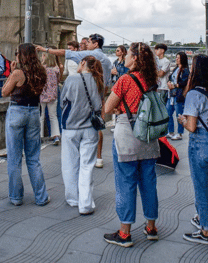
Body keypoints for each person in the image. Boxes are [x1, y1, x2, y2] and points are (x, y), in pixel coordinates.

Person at [102, 42, 160, 247]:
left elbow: (108, 107)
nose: (124, 57)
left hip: (128, 134)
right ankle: (151, 227)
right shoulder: (152, 80)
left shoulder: (125, 79)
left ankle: (125, 233)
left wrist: (119, 110)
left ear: (134, 58)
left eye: (128, 54)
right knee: (149, 183)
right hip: (149, 136)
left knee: (126, 183)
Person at [37, 34, 112, 168]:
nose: (86, 44)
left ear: (96, 44)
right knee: (97, 124)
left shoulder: (88, 55)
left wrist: (45, 50)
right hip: (98, 95)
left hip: (80, 91)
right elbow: (106, 83)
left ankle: (79, 156)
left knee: (78, 125)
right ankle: (98, 157)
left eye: (89, 42)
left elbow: (64, 52)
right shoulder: (106, 59)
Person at [177, 54, 208, 245]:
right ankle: (200, 217)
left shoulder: (194, 94)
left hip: (200, 145)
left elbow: (191, 126)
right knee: (206, 183)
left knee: (201, 188)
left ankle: (205, 230)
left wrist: (181, 119)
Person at [1, 43, 50, 206]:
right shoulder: (41, 71)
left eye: (17, 53)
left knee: (14, 158)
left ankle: (16, 197)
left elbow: (4, 92)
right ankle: (41, 197)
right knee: (33, 158)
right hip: (34, 113)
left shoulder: (17, 73)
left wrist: (11, 73)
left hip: (17, 112)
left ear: (21, 56)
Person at [60, 56, 104, 215]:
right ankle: (85, 203)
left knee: (70, 164)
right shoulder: (98, 81)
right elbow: (99, 106)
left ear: (83, 63)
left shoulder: (71, 80)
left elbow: (62, 101)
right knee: (87, 166)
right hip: (90, 129)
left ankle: (73, 199)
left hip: (71, 127)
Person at [40, 49, 62, 145]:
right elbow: (57, 81)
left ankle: (39, 136)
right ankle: (56, 136)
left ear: (45, 57)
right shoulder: (56, 69)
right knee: (53, 116)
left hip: (42, 95)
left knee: (41, 116)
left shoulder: (41, 69)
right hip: (52, 95)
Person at [166, 51, 189, 140]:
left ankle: (180, 133)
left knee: (179, 115)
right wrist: (169, 82)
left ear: (182, 59)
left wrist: (175, 85)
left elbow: (184, 82)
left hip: (178, 95)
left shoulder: (185, 70)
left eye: (178, 58)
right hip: (171, 94)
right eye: (176, 57)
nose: (176, 59)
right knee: (168, 113)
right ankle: (171, 131)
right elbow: (171, 78)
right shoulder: (176, 69)